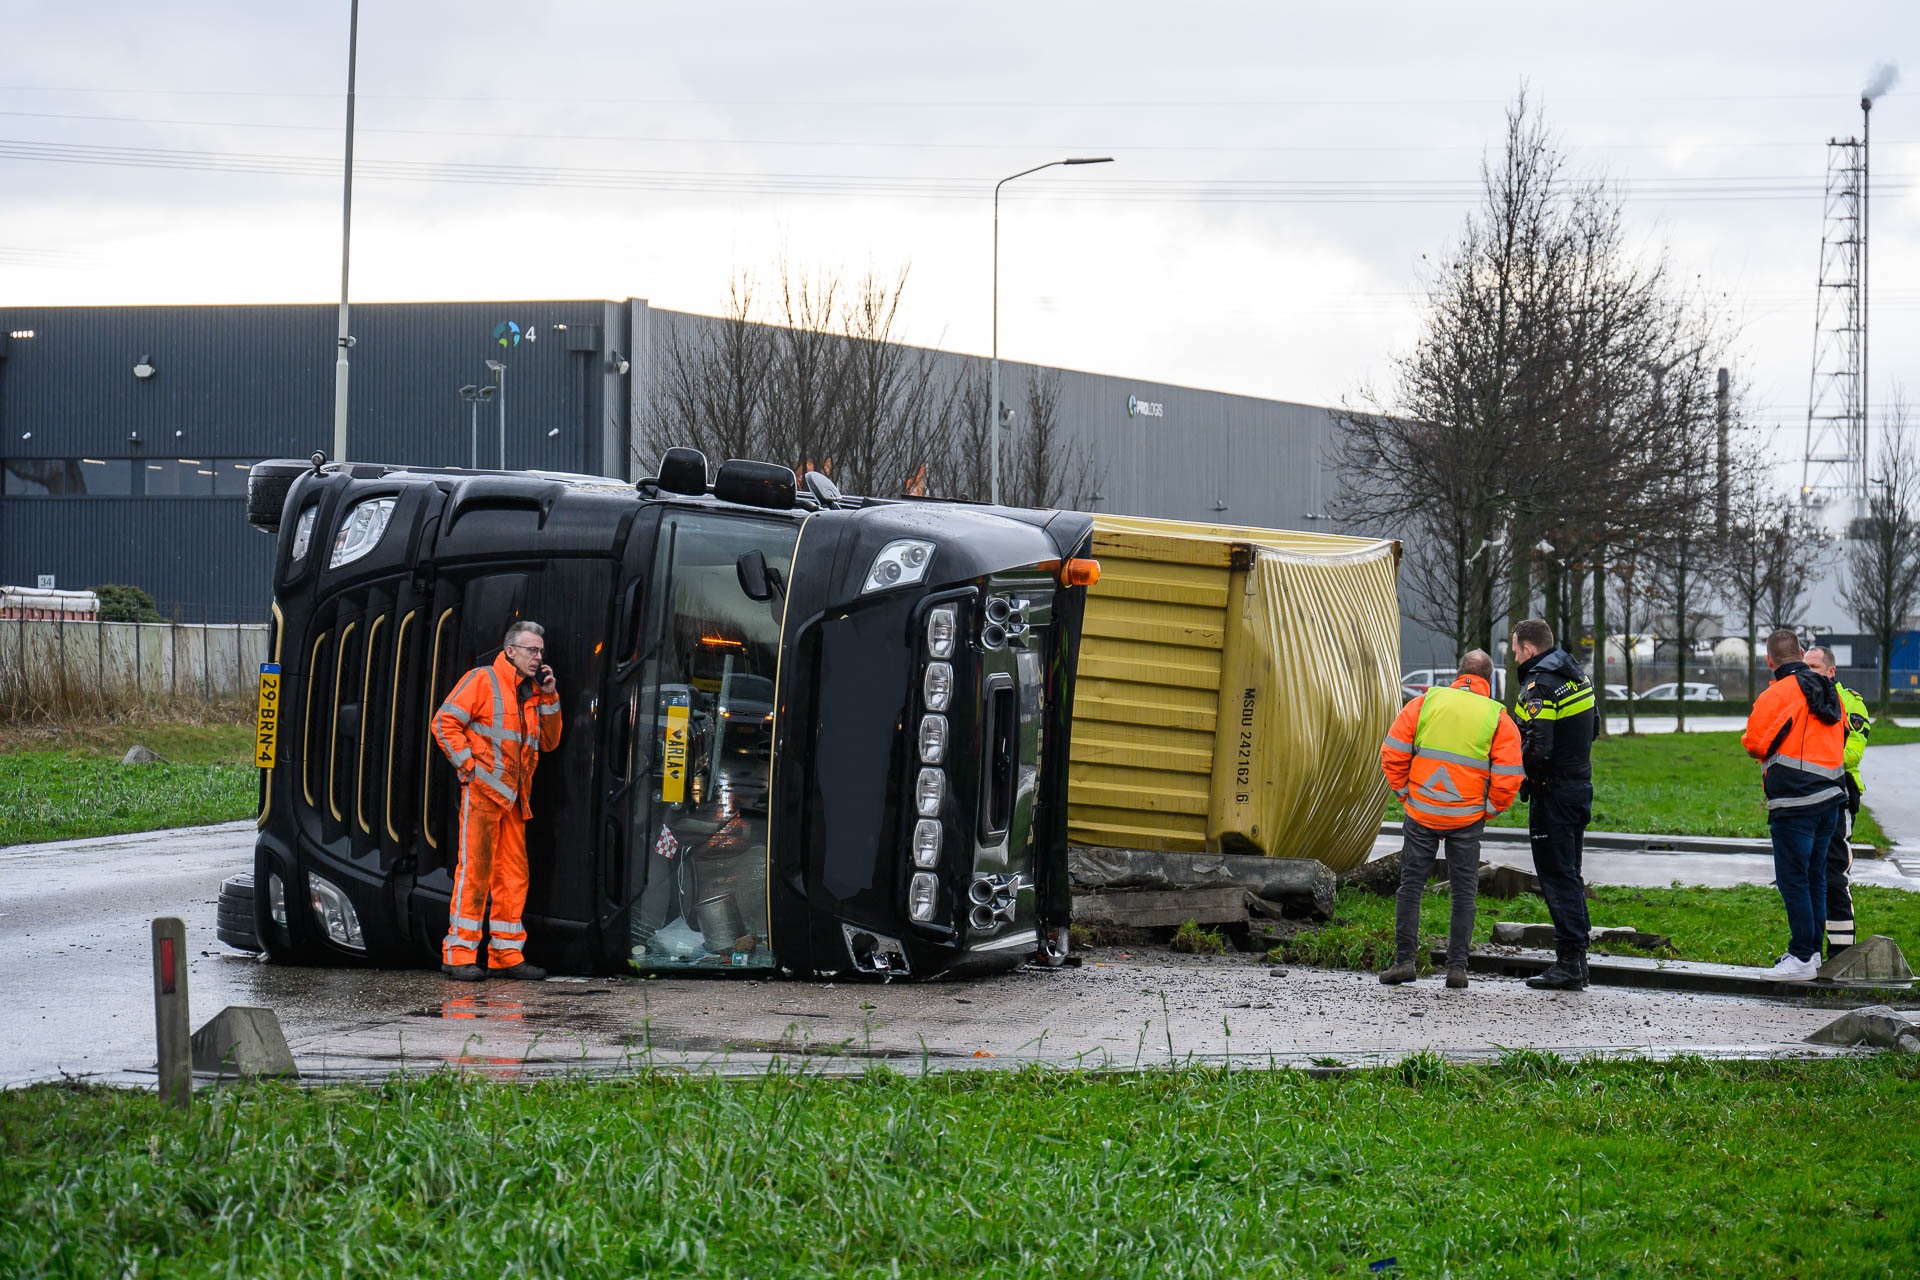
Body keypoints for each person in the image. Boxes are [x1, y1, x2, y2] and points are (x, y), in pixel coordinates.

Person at [1378, 650, 1525, 989]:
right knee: (1463, 892)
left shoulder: (1424, 703)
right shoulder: (1498, 717)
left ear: (1459, 674)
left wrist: (1405, 794)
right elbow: (1508, 777)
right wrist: (1486, 810)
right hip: (1467, 815)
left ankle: (1404, 962)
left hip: (1422, 810)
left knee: (1411, 886)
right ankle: (1457, 969)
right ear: (1489, 680)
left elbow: (1393, 752)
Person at [431, 621, 563, 982]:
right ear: (510, 651)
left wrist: (550, 695)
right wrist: (468, 768)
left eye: (540, 651)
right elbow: (444, 723)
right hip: (484, 794)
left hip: (514, 800)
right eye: (531, 650)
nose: (538, 657)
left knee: (513, 877)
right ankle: (458, 954)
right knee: (474, 873)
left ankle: (506, 955)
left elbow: (549, 743)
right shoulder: (482, 680)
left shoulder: (534, 693)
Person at [1744, 632, 1847, 979]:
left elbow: (1755, 743)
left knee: (1793, 880)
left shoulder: (1778, 694)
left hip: (1795, 801)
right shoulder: (1831, 691)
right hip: (1831, 798)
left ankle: (1802, 955)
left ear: (1769, 661)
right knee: (1815, 877)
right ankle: (1813, 955)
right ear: (1802, 654)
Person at [1508, 618, 1597, 991]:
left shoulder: (1539, 685)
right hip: (1578, 787)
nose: (1513, 657)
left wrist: (1512, 771)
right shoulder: (1577, 676)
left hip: (1553, 793)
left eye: (1515, 650)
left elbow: (1537, 747)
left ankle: (1568, 964)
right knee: (1569, 874)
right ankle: (1577, 959)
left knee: (1556, 878)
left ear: (1528, 649)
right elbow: (1593, 728)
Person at [1805, 645, 1870, 954]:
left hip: (1839, 793)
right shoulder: (1801, 699)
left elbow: (1853, 751)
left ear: (1831, 671)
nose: (1808, 673)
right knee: (1806, 876)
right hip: (1806, 793)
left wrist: (1810, 759)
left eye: (1815, 667)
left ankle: (1842, 954)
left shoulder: (1851, 703)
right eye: (1806, 667)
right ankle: (1808, 950)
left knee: (1833, 874)